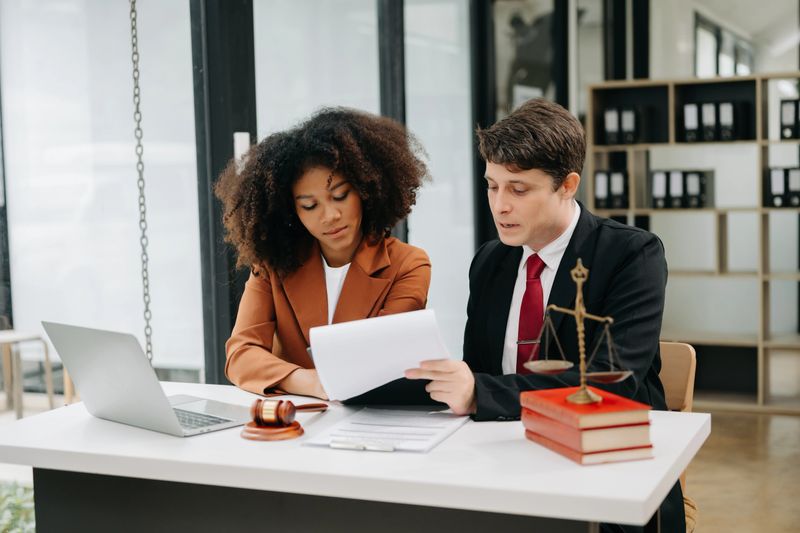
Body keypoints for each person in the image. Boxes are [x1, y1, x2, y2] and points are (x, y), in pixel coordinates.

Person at [405, 98, 685, 532]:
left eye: (519, 189)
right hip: (502, 458)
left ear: (568, 185)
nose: (499, 205)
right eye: (491, 186)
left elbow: (613, 380)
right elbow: (479, 368)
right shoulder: (490, 262)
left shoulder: (632, 254)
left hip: (605, 467)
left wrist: (480, 393)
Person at [215, 107, 430, 399]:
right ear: (291, 210)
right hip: (296, 423)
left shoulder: (408, 265)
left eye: (340, 195)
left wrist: (295, 376)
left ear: (366, 190)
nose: (330, 215)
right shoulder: (274, 265)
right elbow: (240, 355)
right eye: (309, 205)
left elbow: (379, 363)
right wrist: (309, 382)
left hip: (371, 423)